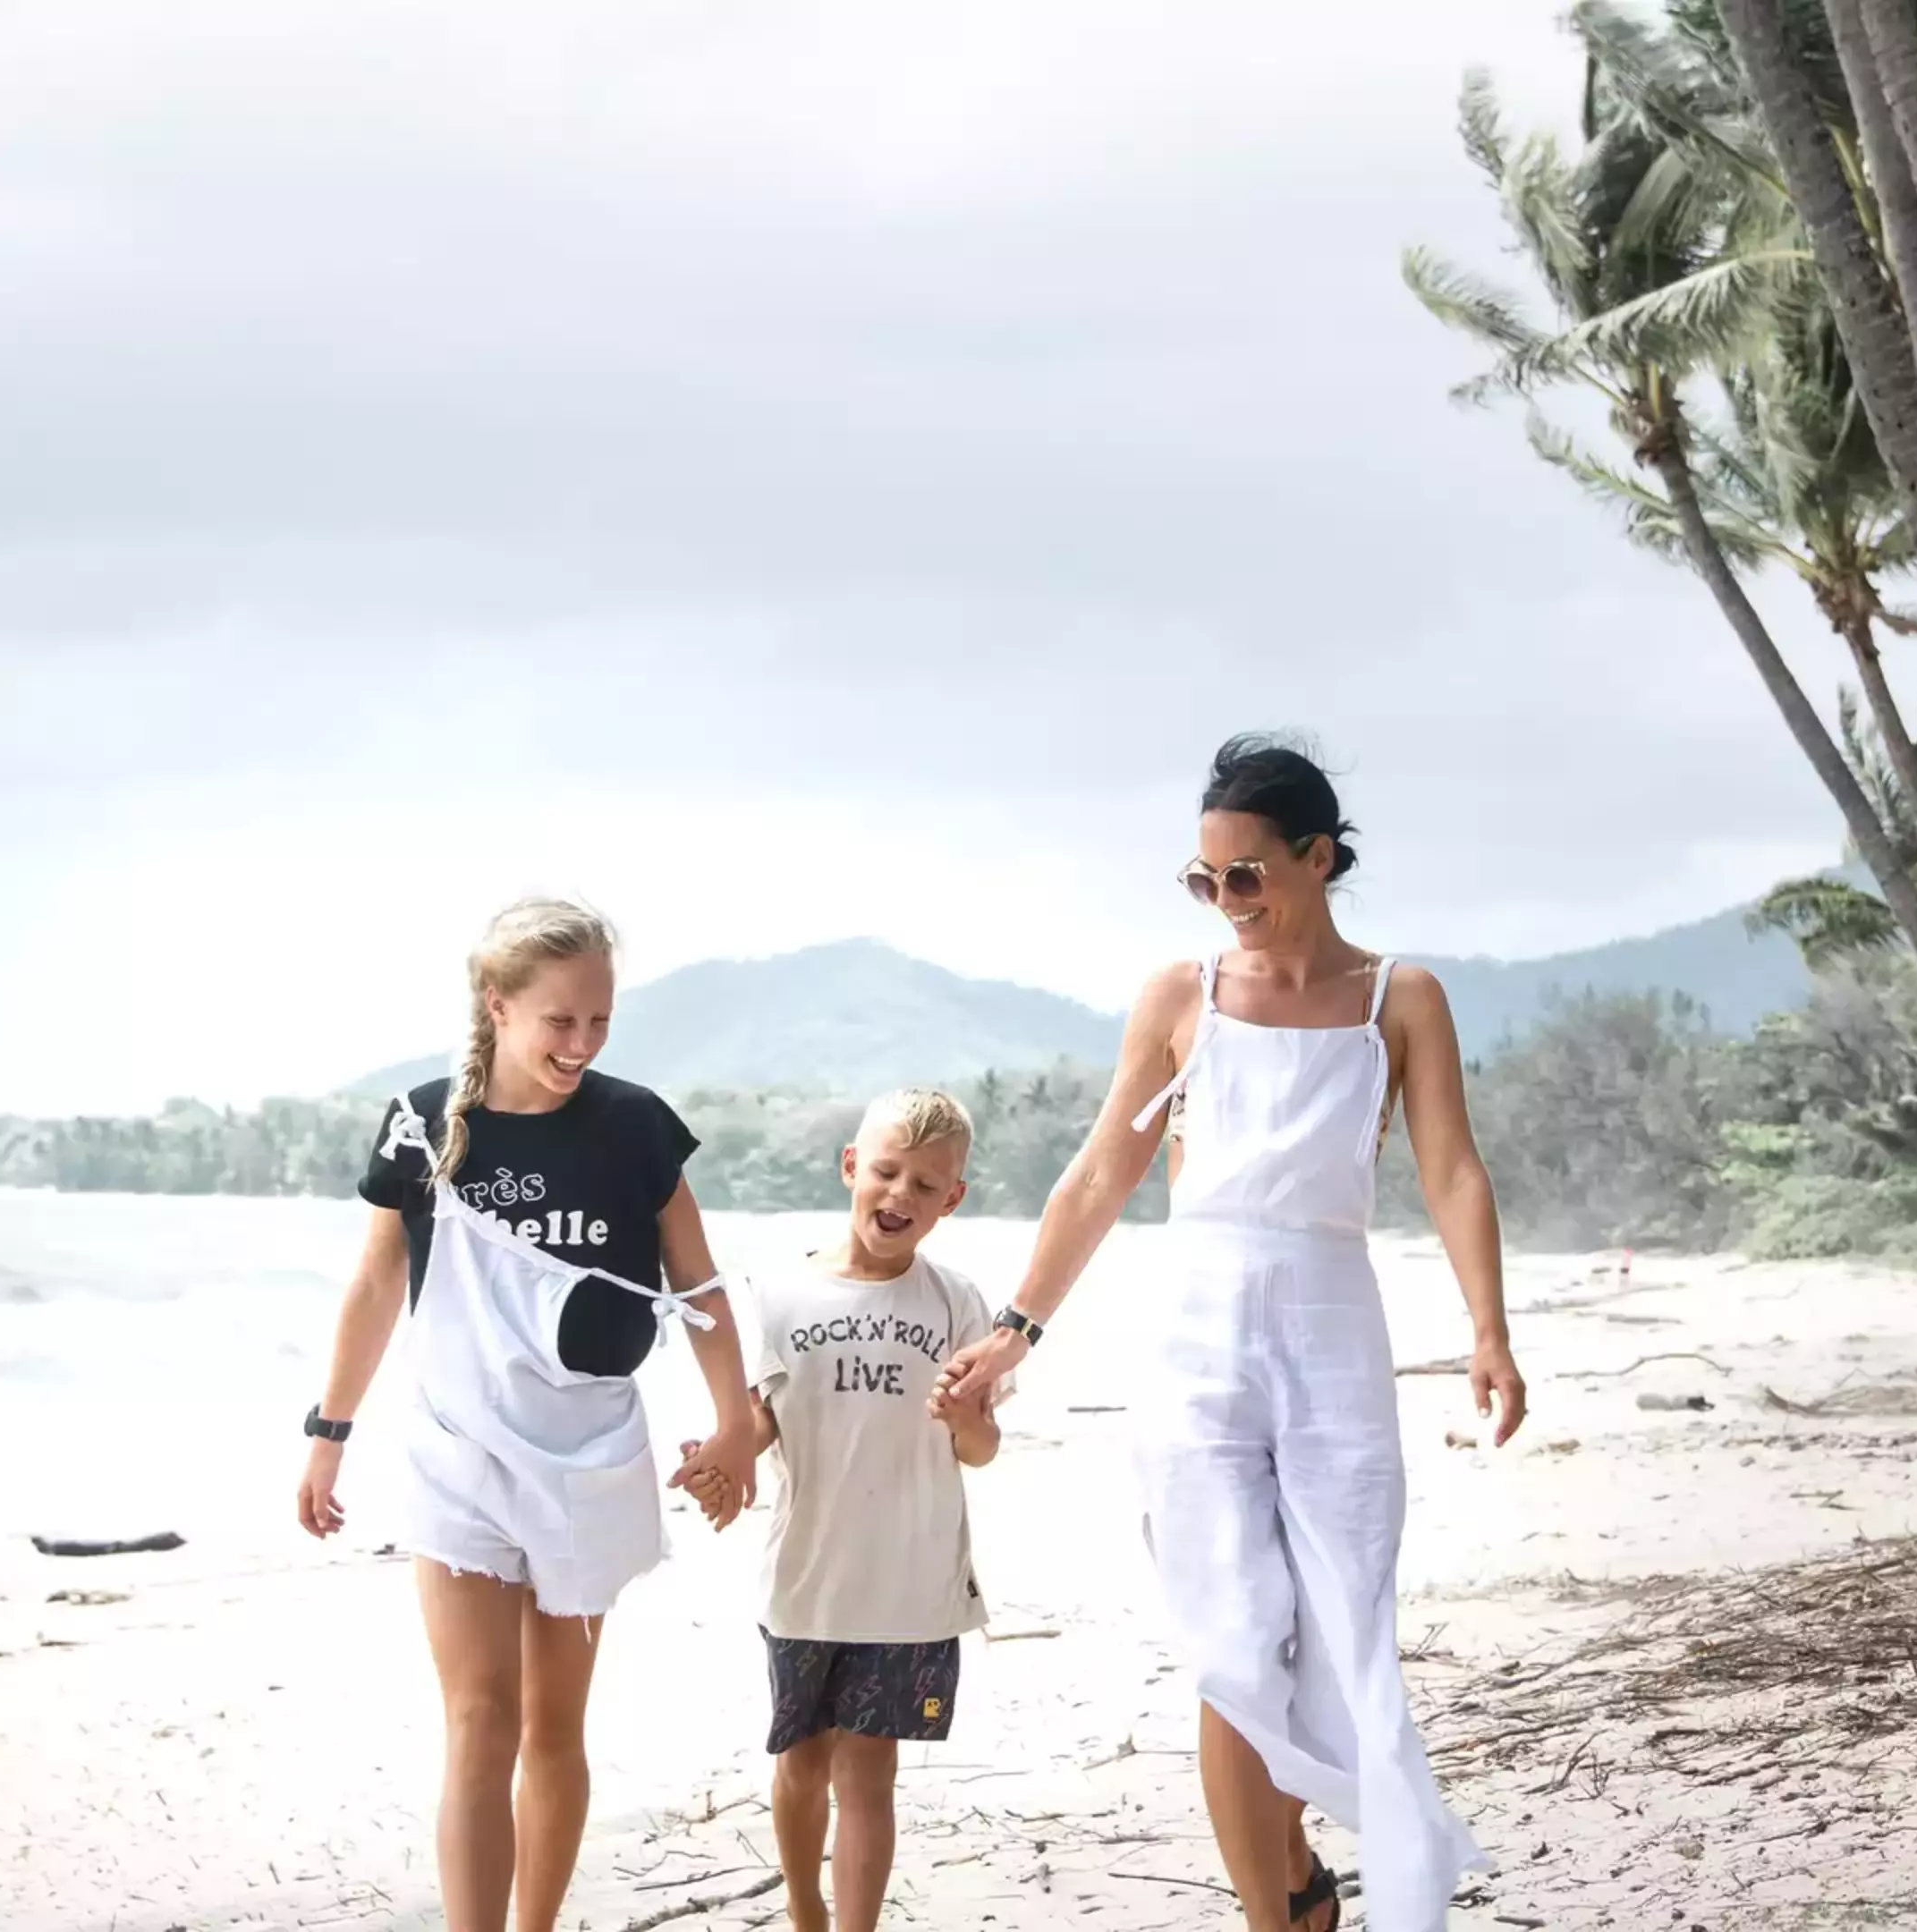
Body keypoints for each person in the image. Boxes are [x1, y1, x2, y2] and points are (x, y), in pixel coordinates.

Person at [936, 735, 1527, 1932]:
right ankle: (1279, 1912)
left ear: (1316, 859)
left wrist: (1490, 1331)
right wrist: (1017, 1328)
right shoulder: (1179, 997)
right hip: (1198, 1334)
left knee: (1339, 1628)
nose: (1227, 903)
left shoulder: (1399, 999)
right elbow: (1104, 1169)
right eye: (1205, 882)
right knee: (1230, 1637)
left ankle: (1303, 1861)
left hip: (1332, 1335)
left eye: (1246, 876)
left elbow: (1453, 1168)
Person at [295, 897, 764, 1932]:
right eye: (560, 1021)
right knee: (478, 1719)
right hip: (456, 1452)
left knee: (555, 1728)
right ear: (497, 1005)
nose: (582, 1043)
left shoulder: (636, 1125)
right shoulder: (422, 1126)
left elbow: (699, 1285)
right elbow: (377, 1288)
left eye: (599, 1021)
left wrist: (735, 1424)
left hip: (587, 1459)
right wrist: (330, 1433)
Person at [683, 1088, 1004, 1932]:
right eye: (888, 1173)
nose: (901, 1196)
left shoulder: (959, 1303)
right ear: (851, 1167)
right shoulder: (781, 1293)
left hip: (911, 1582)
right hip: (807, 1576)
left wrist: (968, 1417)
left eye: (926, 1185)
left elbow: (981, 1448)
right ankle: (804, 1911)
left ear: (953, 1199)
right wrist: (721, 1461)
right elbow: (758, 1420)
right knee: (800, 1763)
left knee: (870, 1775)